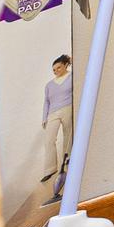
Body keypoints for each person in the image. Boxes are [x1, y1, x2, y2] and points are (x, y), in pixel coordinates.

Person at [41, 55, 73, 196]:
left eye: (59, 67)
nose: (56, 71)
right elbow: (46, 102)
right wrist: (44, 117)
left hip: (68, 108)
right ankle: (50, 169)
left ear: (66, 65)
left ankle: (67, 163)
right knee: (49, 140)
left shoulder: (72, 76)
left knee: (68, 136)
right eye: (54, 69)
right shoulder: (49, 85)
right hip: (53, 113)